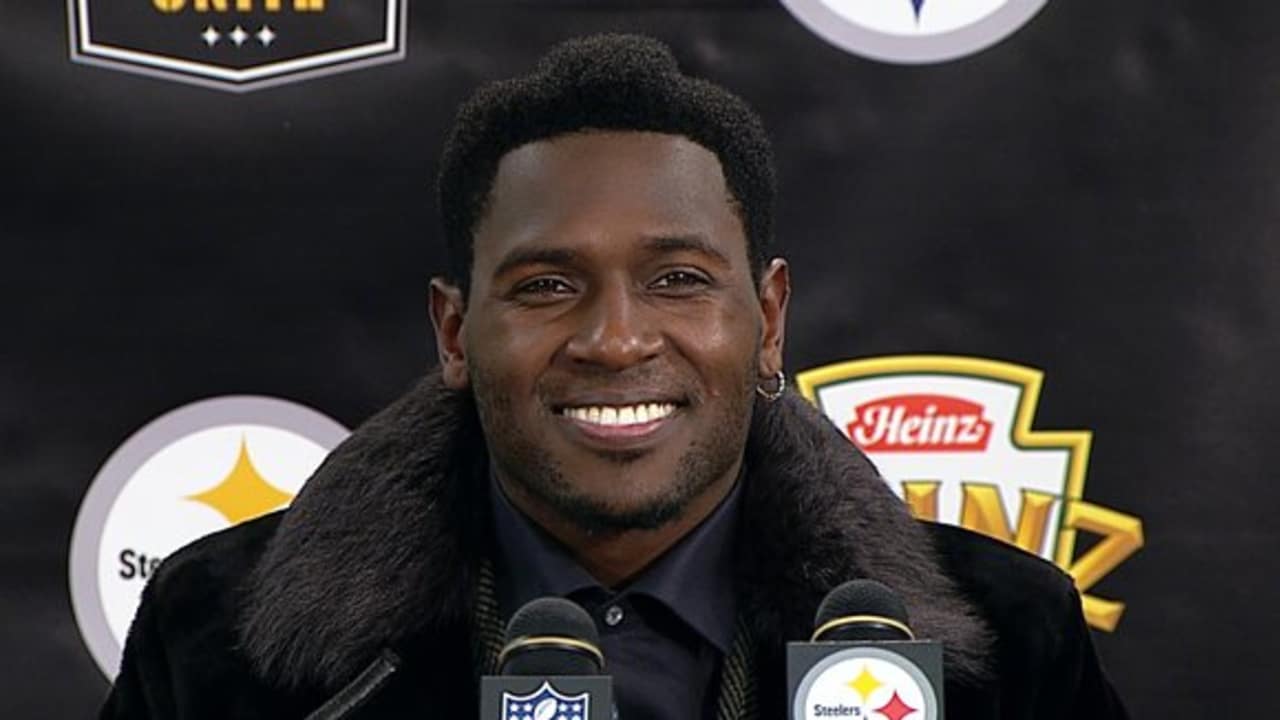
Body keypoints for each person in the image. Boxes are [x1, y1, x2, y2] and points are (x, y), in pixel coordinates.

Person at [100, 34, 1128, 719]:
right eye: (547, 286)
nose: (615, 338)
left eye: (677, 279)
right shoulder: (218, 641)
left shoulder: (1004, 641)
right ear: (455, 332)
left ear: (766, 321)